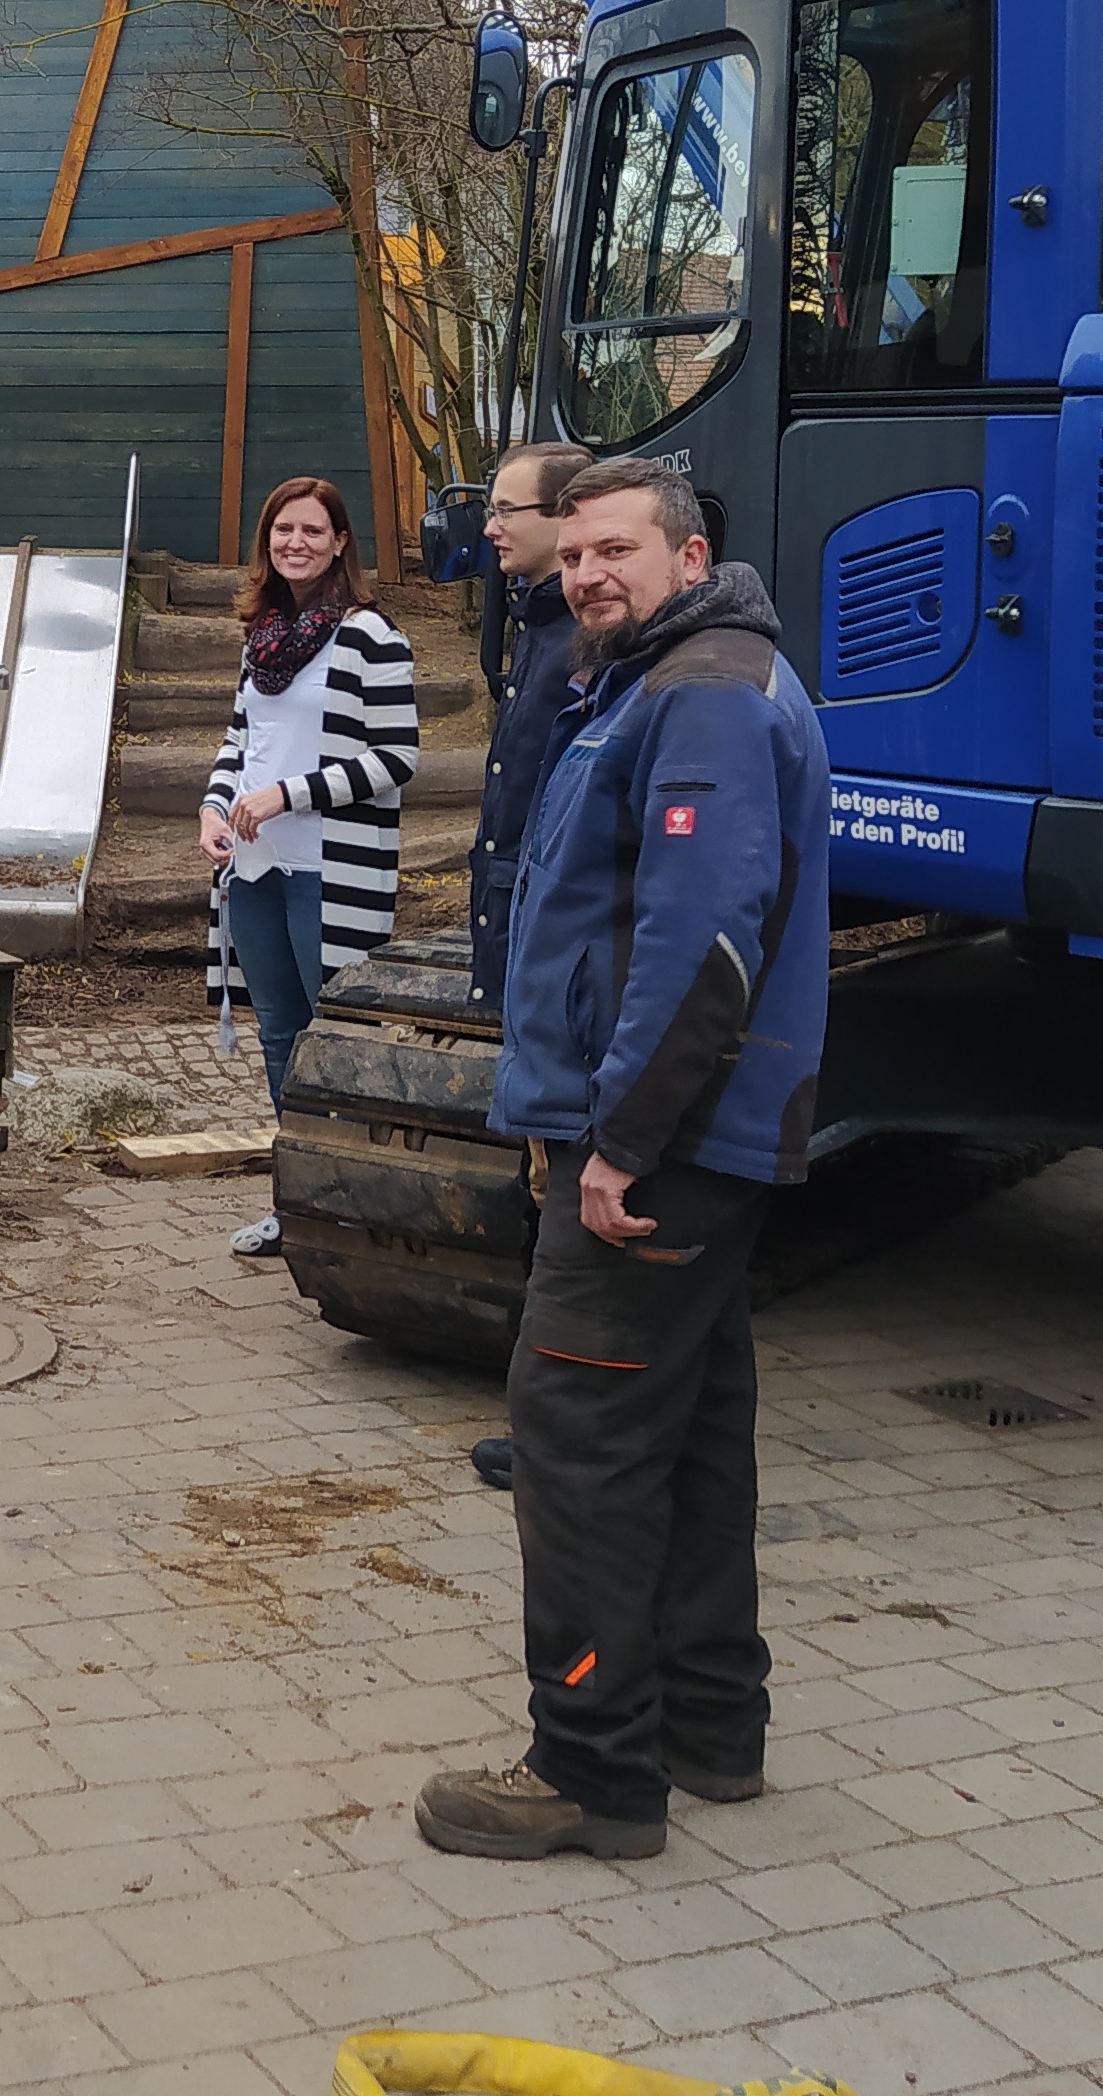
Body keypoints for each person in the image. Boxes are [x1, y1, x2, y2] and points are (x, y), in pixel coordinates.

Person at [416, 460, 830, 1864]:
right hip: (692, 1138)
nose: (590, 573)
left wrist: (621, 1146)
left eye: (620, 551)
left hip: (662, 1146)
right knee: (694, 1429)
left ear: (690, 555)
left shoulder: (702, 692)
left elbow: (702, 945)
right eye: (577, 551)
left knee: (577, 1439)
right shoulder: (660, 680)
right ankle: (711, 1726)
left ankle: (590, 1766)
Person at [202, 476, 421, 1259]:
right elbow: (241, 740)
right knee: (279, 1036)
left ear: (339, 544)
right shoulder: (262, 636)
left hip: (333, 867)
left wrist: (288, 795)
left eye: (312, 531)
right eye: (282, 530)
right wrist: (214, 806)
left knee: (334, 1037)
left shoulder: (369, 636)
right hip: (256, 866)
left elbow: (397, 757)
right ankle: (299, 1203)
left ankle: (352, 1207)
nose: (295, 543)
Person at [464, 439, 589, 1497]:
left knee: (561, 1192)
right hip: (519, 937)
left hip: (551, 949)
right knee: (540, 1182)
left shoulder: (579, 642)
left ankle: (560, 1429)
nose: (490, 526)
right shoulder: (533, 627)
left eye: (509, 510)